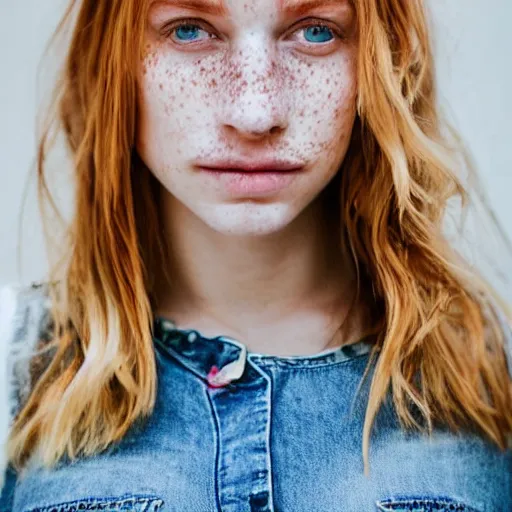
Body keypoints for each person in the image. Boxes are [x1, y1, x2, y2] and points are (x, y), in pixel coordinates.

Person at [1, 0, 511, 509]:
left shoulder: (496, 373)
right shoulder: (11, 365)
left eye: (315, 32)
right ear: (113, 59)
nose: (255, 112)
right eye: (188, 30)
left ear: (383, 63)